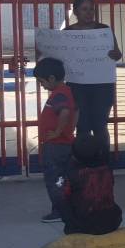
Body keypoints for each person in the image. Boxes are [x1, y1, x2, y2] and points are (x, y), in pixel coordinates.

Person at [61, 0, 121, 154]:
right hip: (77, 85)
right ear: (76, 12)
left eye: (91, 9)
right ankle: (84, 158)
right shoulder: (67, 32)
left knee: (100, 124)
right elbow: (61, 56)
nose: (89, 13)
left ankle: (103, 160)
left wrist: (113, 54)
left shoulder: (104, 30)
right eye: (84, 9)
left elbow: (118, 54)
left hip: (102, 85)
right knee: (82, 125)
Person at [34, 58, 76, 224]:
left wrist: (58, 132)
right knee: (65, 178)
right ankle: (67, 207)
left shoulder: (59, 94)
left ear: (51, 78)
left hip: (55, 145)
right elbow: (76, 111)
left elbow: (65, 112)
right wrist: (69, 130)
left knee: (54, 179)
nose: (41, 85)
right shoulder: (67, 91)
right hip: (65, 143)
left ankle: (59, 210)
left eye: (41, 82)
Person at [57, 133, 122, 236]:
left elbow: (62, 198)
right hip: (111, 221)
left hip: (83, 225)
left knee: (65, 202)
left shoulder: (72, 174)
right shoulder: (107, 170)